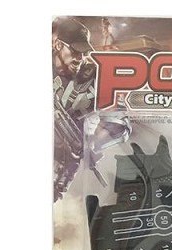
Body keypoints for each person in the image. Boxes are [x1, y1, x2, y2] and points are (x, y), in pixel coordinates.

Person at [52, 17, 131, 201]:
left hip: (61, 164)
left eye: (84, 52)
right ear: (58, 45)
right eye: (75, 51)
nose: (80, 58)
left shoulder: (94, 77)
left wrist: (94, 144)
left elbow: (120, 123)